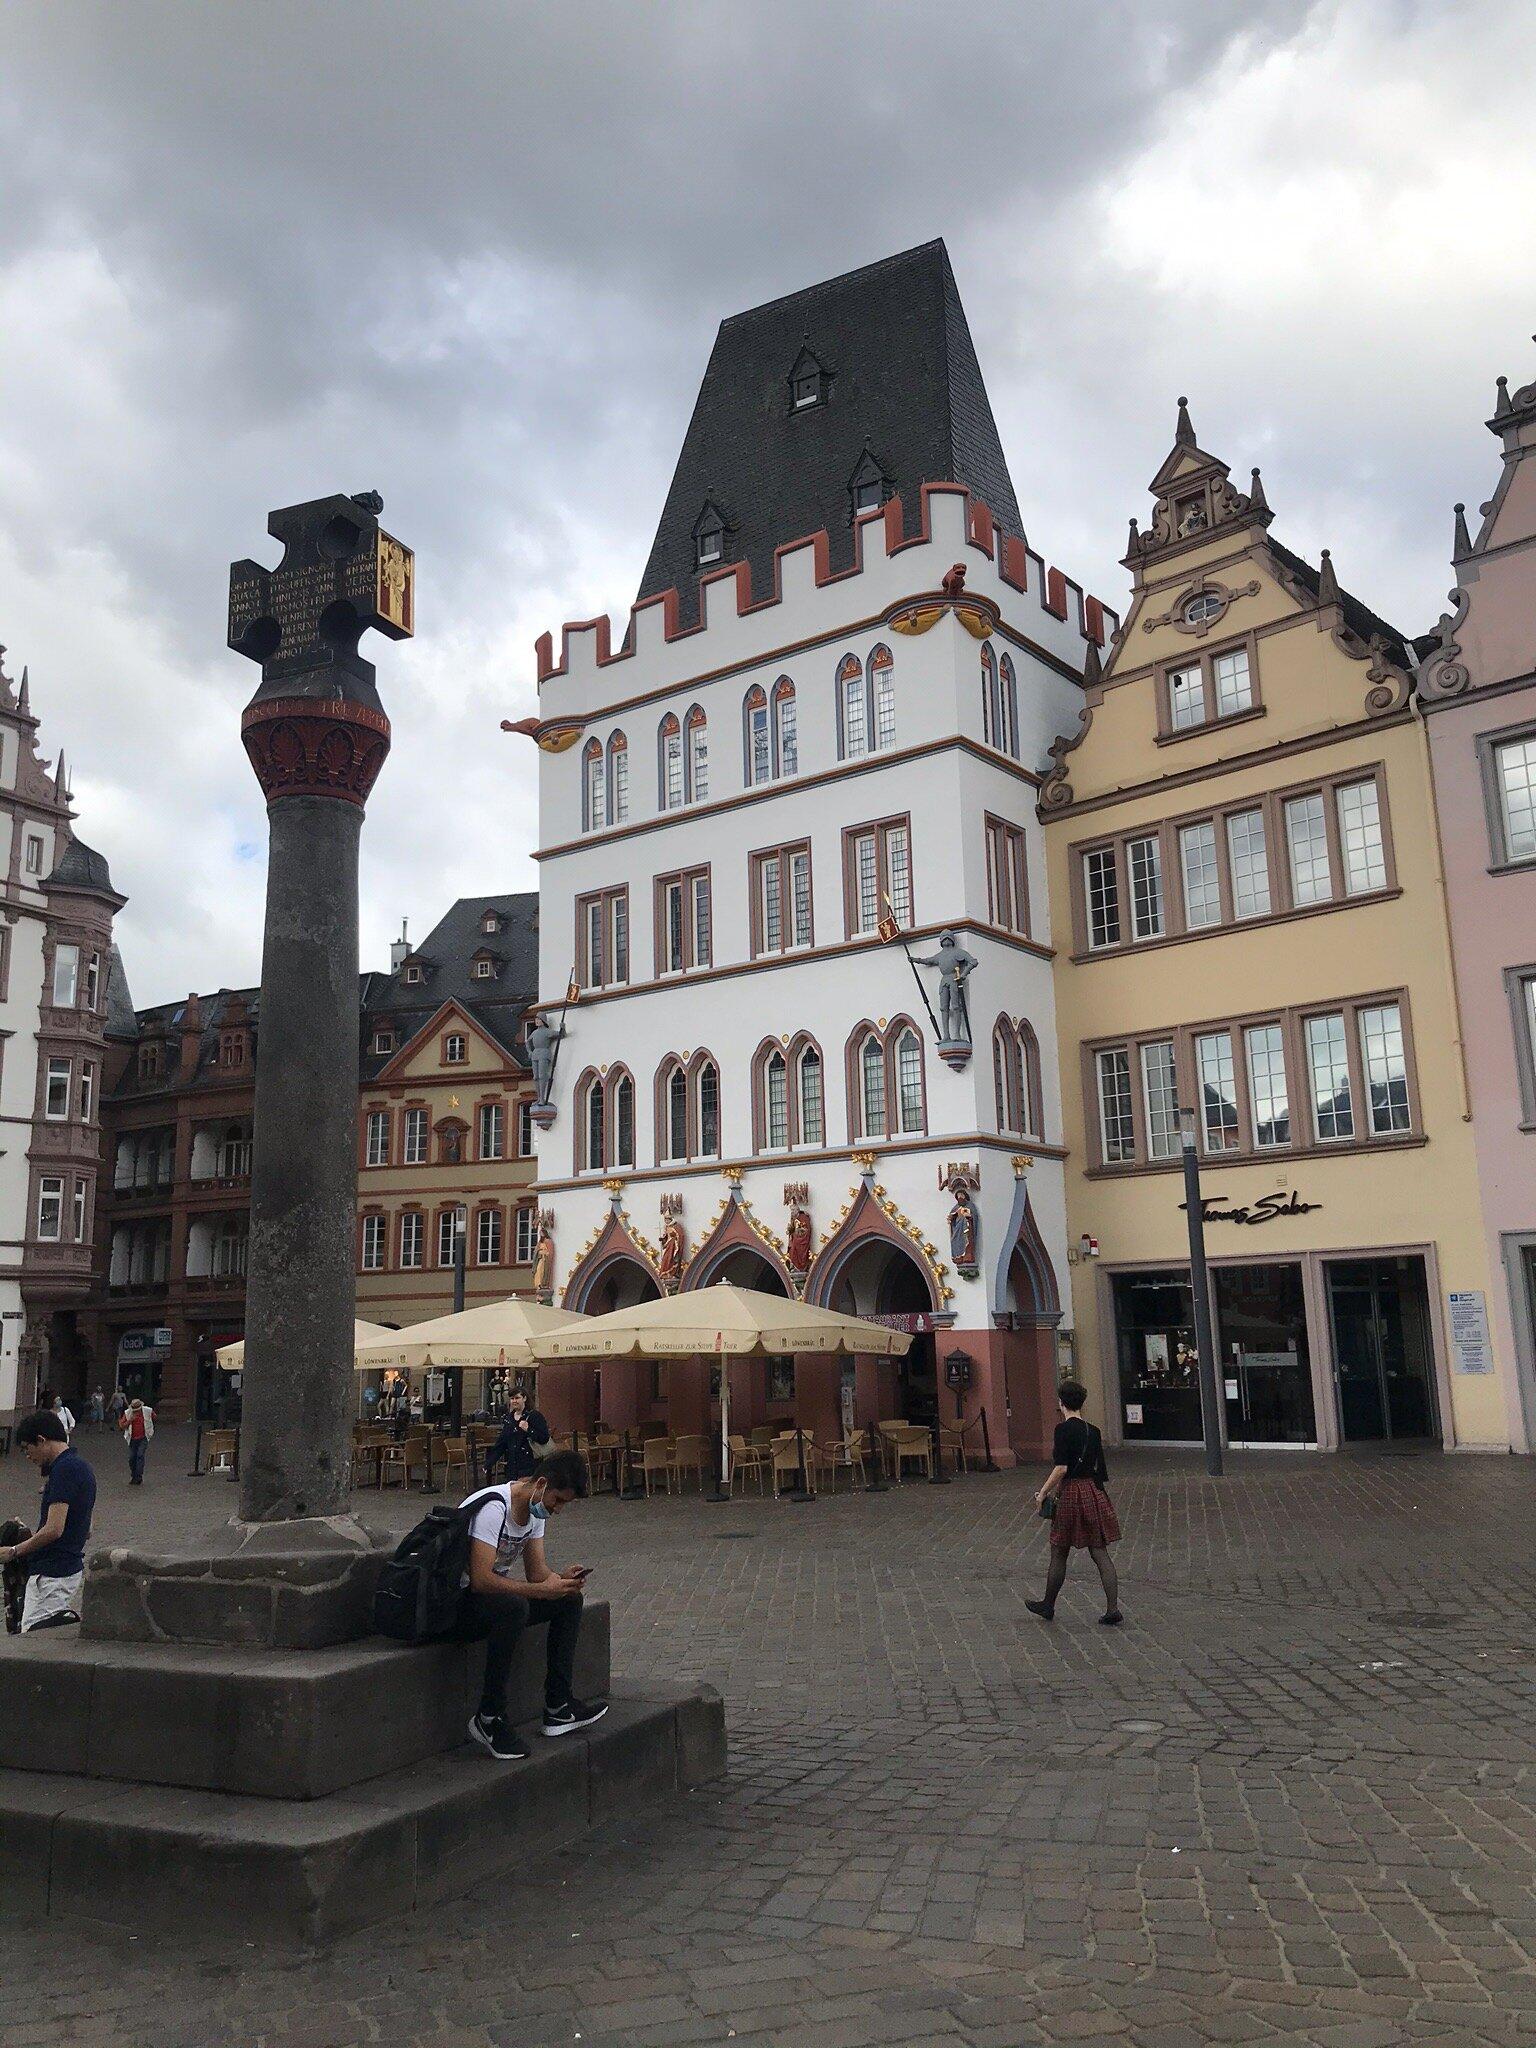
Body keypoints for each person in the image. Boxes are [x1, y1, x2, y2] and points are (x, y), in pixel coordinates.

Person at [457, 1448, 606, 1760]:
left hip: (491, 1600)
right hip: (457, 1602)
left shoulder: (536, 1512)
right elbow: (481, 1580)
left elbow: (536, 1573)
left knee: (568, 1600)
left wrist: (560, 1581)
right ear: (541, 1484)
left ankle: (558, 1706)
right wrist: (540, 1591)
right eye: (558, 1501)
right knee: (514, 1607)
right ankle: (489, 1717)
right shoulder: (494, 1508)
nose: (558, 1509)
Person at [1026, 1380, 1122, 1627]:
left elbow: (1061, 1468)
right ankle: (1113, 1608)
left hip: (1071, 1491)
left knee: (1059, 1550)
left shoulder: (1063, 1430)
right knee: (1099, 1551)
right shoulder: (1094, 1431)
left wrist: (1043, 1493)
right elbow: (1101, 1470)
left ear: (1061, 1403)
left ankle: (1048, 1604)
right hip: (1091, 1489)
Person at [1, 1411, 97, 1631]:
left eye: (27, 1449)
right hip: (65, 1568)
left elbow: (54, 1529)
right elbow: (87, 1527)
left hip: (53, 1572)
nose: (27, 1456)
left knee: (32, 1636)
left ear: (42, 1440)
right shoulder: (81, 1468)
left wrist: (14, 1550)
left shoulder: (64, 1470)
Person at [483, 1387, 550, 1483]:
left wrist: (529, 1430)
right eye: (512, 1398)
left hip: (530, 1466)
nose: (514, 1401)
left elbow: (544, 1438)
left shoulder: (534, 1416)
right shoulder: (509, 1418)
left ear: (524, 1399)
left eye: (517, 1398)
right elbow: (502, 1443)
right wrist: (489, 1463)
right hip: (512, 1468)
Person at [119, 1396, 154, 1484]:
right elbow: (122, 1425)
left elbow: (154, 1417)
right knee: (132, 1458)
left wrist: (150, 1429)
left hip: (143, 1437)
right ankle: (134, 1475)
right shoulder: (127, 1413)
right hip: (132, 1439)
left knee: (140, 1455)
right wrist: (130, 1420)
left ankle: (138, 1476)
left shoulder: (147, 1411)